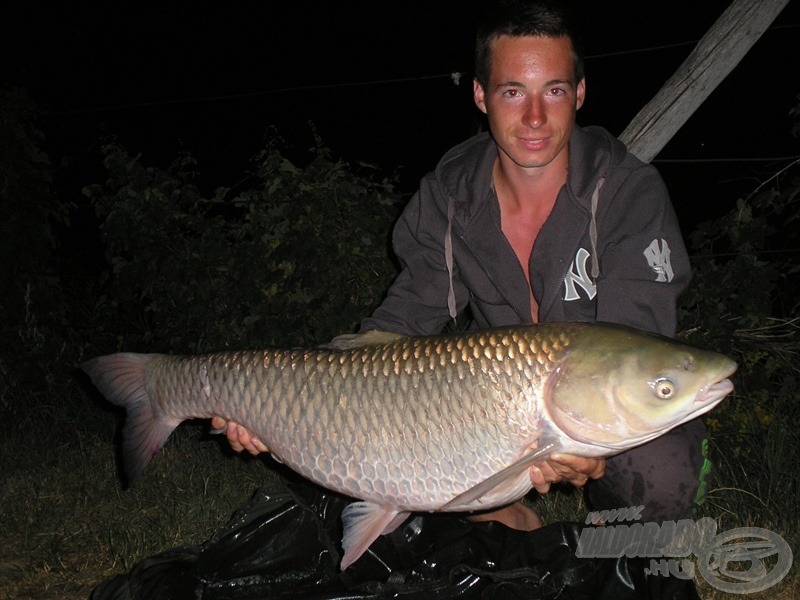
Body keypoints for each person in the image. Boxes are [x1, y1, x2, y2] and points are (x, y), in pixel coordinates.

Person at [213, 0, 705, 530]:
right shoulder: (451, 193)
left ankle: (612, 543)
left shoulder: (628, 192)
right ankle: (503, 511)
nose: (535, 116)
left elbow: (636, 342)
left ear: (580, 93)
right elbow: (403, 320)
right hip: (493, 402)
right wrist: (269, 406)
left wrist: (589, 444)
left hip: (585, 396)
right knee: (383, 447)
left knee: (661, 472)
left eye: (554, 90)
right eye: (513, 91)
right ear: (480, 95)